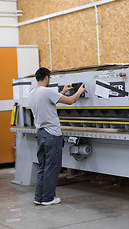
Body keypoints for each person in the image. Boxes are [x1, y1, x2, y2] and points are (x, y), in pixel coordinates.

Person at [29, 67, 87, 206]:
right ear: (47, 77)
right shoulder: (48, 91)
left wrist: (63, 92)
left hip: (41, 134)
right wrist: (79, 91)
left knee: (43, 166)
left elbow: (50, 101)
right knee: (52, 167)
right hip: (52, 135)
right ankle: (48, 198)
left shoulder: (32, 93)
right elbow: (71, 101)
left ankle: (39, 197)